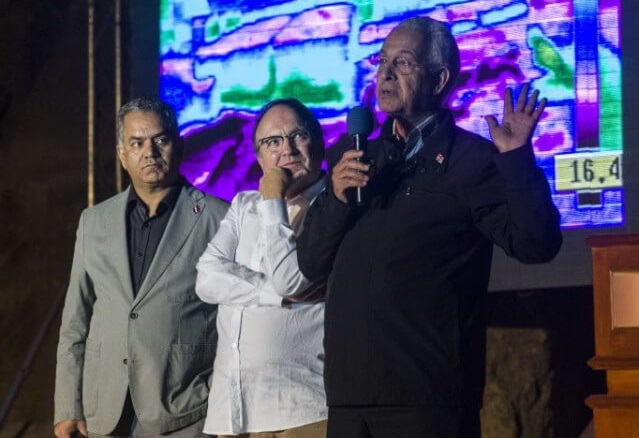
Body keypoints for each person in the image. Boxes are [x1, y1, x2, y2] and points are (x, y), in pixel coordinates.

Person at [296, 16, 563, 438]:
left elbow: (536, 244)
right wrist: (336, 197)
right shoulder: (353, 154)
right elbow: (311, 263)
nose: (384, 73)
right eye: (381, 61)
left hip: (425, 397)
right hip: (349, 395)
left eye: (401, 63)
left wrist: (515, 160)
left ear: (439, 79)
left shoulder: (472, 160)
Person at [54, 97, 229, 438]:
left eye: (160, 140)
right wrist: (67, 407)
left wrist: (216, 395)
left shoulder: (218, 218)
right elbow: (75, 322)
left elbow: (237, 320)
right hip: (103, 416)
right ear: (122, 154)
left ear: (177, 145)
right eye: (137, 142)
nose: (149, 151)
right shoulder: (94, 222)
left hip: (185, 415)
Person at [195, 98, 328, 438]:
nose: (287, 149)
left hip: (301, 406)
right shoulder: (244, 205)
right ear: (259, 156)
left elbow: (291, 280)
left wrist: (273, 201)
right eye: (273, 142)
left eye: (298, 135)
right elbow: (207, 278)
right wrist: (274, 295)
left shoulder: (333, 207)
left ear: (318, 141)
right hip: (234, 408)